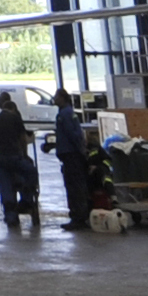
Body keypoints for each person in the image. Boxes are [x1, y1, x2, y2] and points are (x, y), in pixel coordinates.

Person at [0, 91, 35, 226]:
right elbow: (23, 139)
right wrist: (24, 155)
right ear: (12, 107)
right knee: (29, 172)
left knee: (5, 186)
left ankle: (11, 216)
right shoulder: (15, 118)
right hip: (14, 156)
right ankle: (26, 200)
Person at [51, 92, 94, 233]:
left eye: (57, 96)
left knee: (74, 187)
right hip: (72, 155)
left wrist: (80, 151)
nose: (54, 99)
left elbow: (73, 135)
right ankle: (78, 216)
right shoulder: (68, 113)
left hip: (71, 156)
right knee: (76, 186)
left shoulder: (65, 115)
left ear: (63, 98)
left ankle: (78, 217)